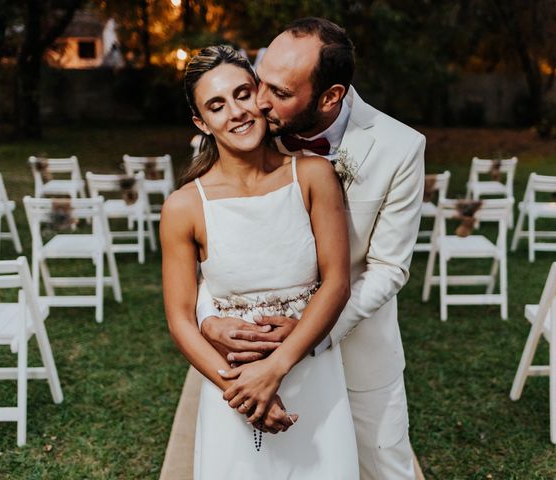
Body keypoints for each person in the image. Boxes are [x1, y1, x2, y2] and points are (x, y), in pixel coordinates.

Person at [196, 18, 426, 480]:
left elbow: (388, 268)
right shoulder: (250, 130)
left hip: (358, 350)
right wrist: (209, 317)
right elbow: (216, 249)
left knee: (385, 467)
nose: (259, 101)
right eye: (260, 80)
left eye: (279, 92)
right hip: (260, 354)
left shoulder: (400, 148)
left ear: (330, 97)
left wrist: (311, 330)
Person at [161, 45, 359, 479]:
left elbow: (337, 283)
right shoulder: (183, 207)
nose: (236, 112)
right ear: (202, 123)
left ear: (260, 96)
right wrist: (241, 389)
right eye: (216, 105)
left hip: (312, 373)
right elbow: (179, 319)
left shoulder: (312, 175)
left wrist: (277, 367)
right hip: (234, 386)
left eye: (243, 93)